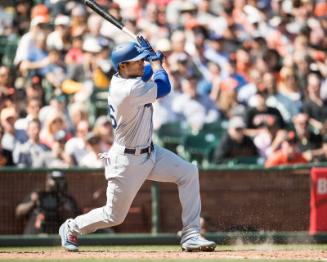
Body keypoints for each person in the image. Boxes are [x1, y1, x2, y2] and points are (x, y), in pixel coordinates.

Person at [59, 37, 216, 252]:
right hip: (126, 160)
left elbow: (144, 74)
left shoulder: (123, 77)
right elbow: (164, 87)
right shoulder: (128, 89)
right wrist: (157, 63)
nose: (142, 63)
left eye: (142, 60)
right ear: (123, 65)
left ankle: (191, 234)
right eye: (137, 61)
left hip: (150, 152)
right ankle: (71, 226)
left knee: (188, 173)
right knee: (114, 216)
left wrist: (150, 59)